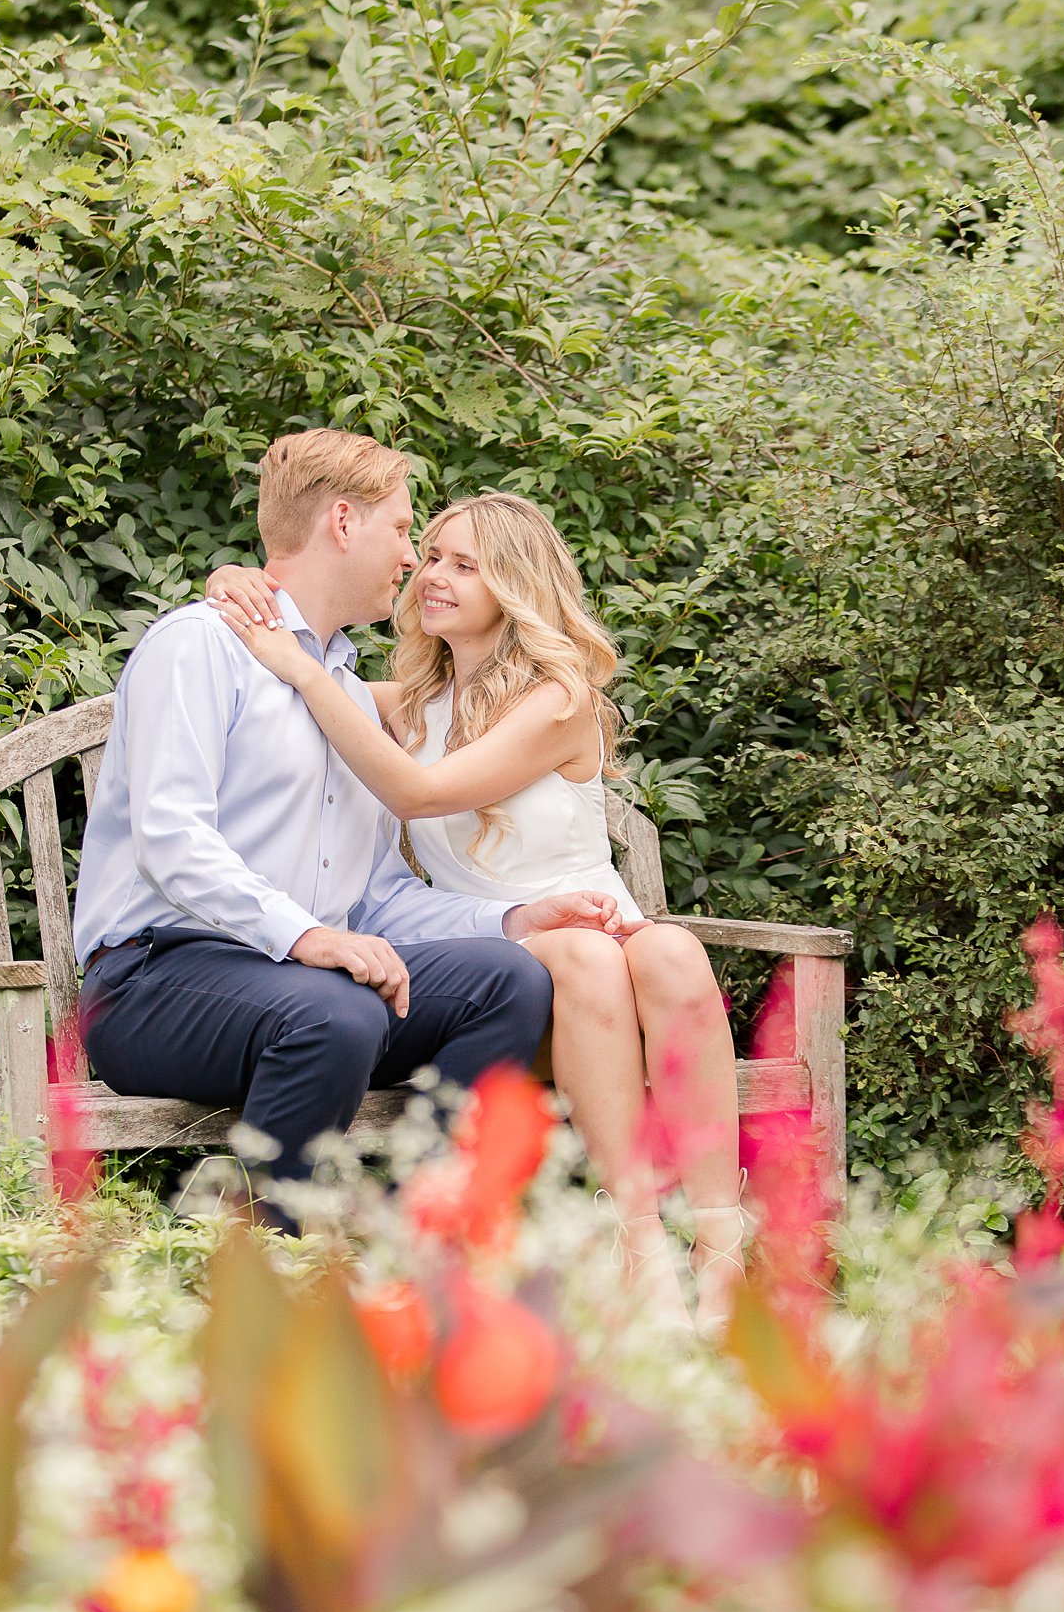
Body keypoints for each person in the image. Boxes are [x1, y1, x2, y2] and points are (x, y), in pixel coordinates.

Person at [205, 487, 747, 1326]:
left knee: (673, 951)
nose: (435, 575)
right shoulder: (413, 702)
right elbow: (308, 661)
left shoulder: (558, 698)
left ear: (516, 585)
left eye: (468, 564)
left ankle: (723, 1250)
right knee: (587, 954)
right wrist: (241, 579)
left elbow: (415, 793)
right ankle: (640, 1246)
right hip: (493, 962)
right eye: (433, 556)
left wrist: (308, 672)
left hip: (587, 923)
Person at [72, 431, 639, 1227]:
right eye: (405, 530)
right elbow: (170, 839)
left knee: (510, 982)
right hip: (153, 981)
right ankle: (274, 1261)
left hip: (299, 980)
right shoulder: (200, 646)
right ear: (343, 522)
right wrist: (308, 936)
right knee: (337, 1010)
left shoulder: (341, 687)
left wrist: (509, 922)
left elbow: (371, 897)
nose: (411, 559)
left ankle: (413, 1243)